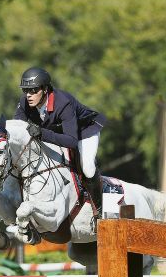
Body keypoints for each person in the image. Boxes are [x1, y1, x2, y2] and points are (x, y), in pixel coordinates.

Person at [14, 67, 107, 211]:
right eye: (25, 90)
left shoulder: (63, 103)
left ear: (45, 89)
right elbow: (18, 127)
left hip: (84, 131)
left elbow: (71, 141)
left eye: (33, 90)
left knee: (87, 168)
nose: (28, 95)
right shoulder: (25, 102)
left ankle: (100, 209)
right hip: (59, 133)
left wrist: (41, 133)